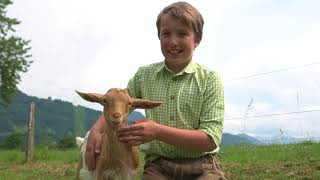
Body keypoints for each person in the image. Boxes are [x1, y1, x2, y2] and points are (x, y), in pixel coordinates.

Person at [86, 1, 225, 179]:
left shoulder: (210, 80)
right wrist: (96, 131)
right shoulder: (144, 75)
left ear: (197, 39)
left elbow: (209, 139)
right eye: (166, 34)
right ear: (159, 36)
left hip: (203, 164)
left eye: (182, 34)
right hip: (159, 164)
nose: (173, 42)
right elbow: (118, 103)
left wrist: (158, 131)